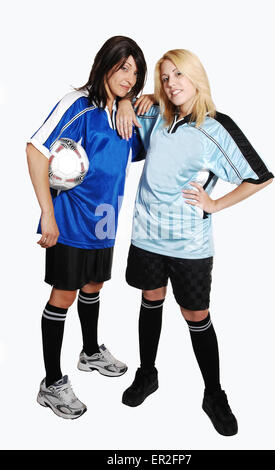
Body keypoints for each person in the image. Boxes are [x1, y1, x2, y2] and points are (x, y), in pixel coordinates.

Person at [119, 49, 274, 436]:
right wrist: (127, 100)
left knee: (196, 316)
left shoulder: (217, 126)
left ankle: (214, 394)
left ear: (196, 77)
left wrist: (215, 204)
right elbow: (121, 101)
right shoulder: (156, 114)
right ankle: (147, 374)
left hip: (189, 243)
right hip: (146, 234)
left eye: (178, 75)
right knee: (150, 300)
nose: (171, 83)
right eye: (165, 77)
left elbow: (260, 176)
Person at [26, 36, 147, 420]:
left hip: (105, 221)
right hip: (71, 219)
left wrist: (132, 100)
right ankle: (51, 382)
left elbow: (169, 106)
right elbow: (35, 149)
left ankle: (90, 352)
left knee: (94, 286)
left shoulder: (127, 113)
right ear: (105, 63)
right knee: (64, 295)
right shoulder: (79, 104)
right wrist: (47, 212)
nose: (129, 77)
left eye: (135, 72)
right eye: (123, 67)